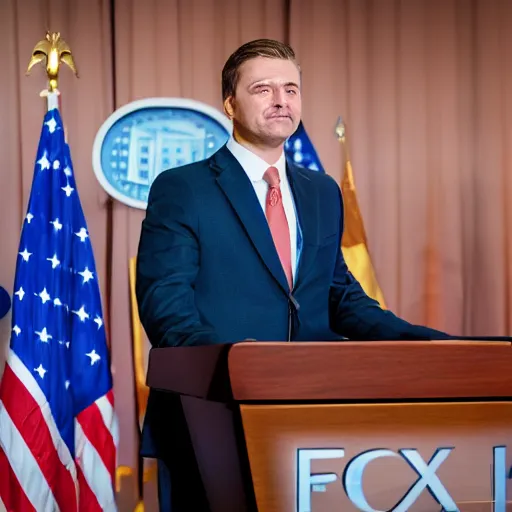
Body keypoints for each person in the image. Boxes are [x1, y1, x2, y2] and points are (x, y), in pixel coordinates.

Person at [135, 39, 450, 511]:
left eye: (291, 89)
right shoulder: (184, 188)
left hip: (314, 416)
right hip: (210, 417)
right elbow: (166, 306)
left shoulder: (321, 190)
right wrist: (240, 367)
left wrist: (427, 343)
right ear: (229, 103)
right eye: (263, 89)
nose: (281, 100)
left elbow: (338, 295)